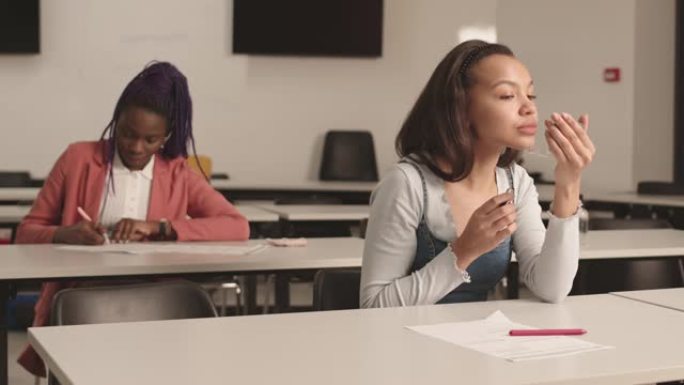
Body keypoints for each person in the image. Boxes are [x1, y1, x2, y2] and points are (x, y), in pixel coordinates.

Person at [16, 61, 250, 376]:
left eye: (150, 140)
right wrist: (64, 234)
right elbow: (27, 233)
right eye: (127, 133)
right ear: (116, 121)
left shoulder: (177, 173)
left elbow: (237, 225)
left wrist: (161, 227)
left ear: (166, 136)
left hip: (155, 303)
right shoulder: (78, 159)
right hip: (81, 300)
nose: (136, 147)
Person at [360, 40, 596, 308]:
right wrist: (464, 250)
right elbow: (373, 305)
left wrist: (569, 181)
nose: (529, 108)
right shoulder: (406, 183)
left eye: (530, 96)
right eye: (508, 95)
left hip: (475, 342)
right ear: (461, 108)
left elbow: (551, 288)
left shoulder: (515, 182)